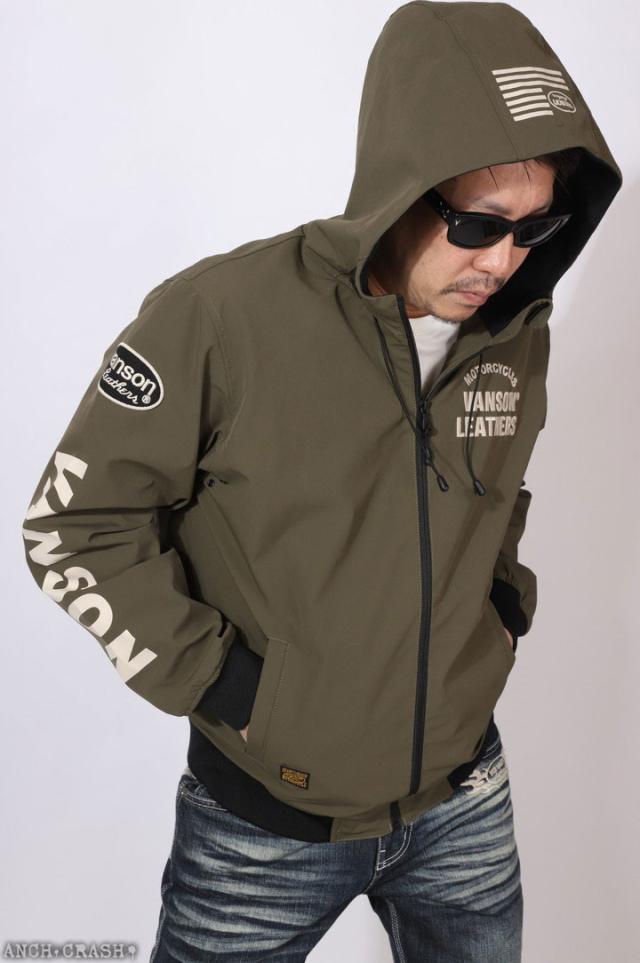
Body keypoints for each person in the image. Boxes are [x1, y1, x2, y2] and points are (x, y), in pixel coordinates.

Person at [21, 1, 621, 960]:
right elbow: (75, 523)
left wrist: (503, 607)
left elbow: (495, 497)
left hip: (465, 801)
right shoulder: (222, 316)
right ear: (402, 184)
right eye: (478, 223)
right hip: (263, 828)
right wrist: (227, 686)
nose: (503, 260)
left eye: (535, 228)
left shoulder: (514, 332)